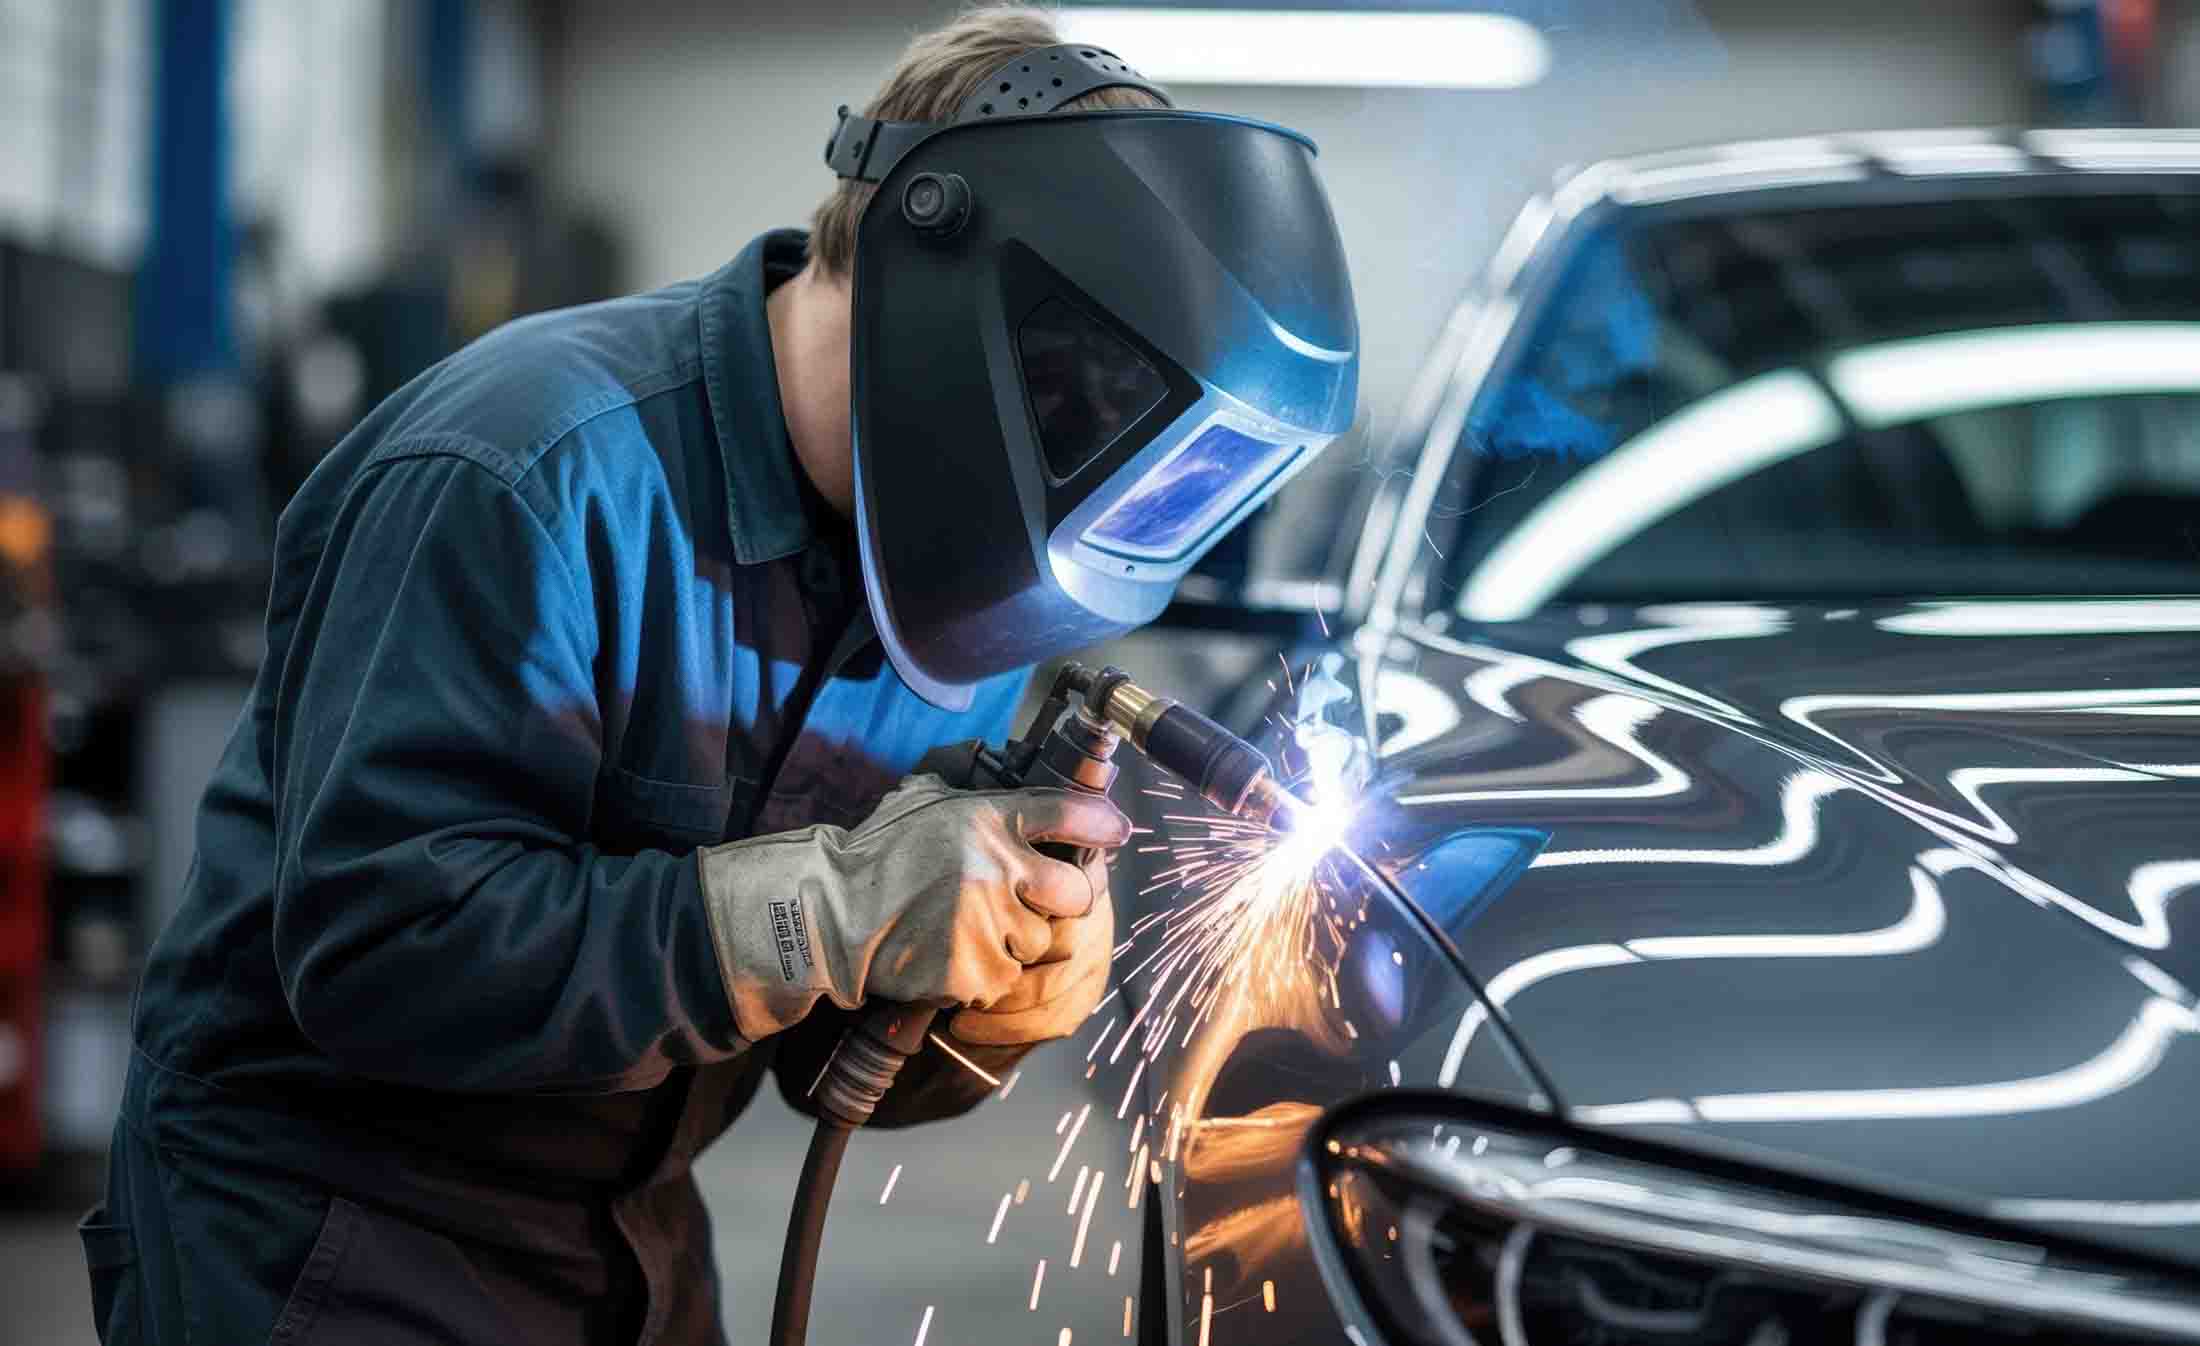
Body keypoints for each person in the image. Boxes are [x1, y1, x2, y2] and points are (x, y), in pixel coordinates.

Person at [81, 5, 1357, 1343]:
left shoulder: (957, 578)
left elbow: (825, 1055)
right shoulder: (524, 475)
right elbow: (378, 949)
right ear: (952, 276)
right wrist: (831, 905)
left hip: (633, 1239)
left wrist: (988, 993)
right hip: (331, 1227)